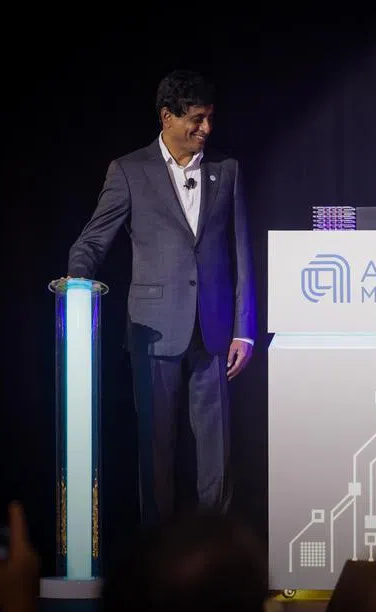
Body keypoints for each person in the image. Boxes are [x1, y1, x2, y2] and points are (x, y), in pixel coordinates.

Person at [66, 69, 256, 523]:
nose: (206, 129)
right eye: (196, 119)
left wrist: (244, 329)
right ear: (167, 117)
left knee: (217, 450)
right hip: (153, 331)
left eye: (209, 118)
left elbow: (242, 252)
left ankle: (217, 545)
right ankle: (158, 548)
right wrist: (76, 281)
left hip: (213, 330)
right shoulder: (130, 171)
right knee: (155, 449)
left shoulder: (226, 170)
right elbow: (93, 241)